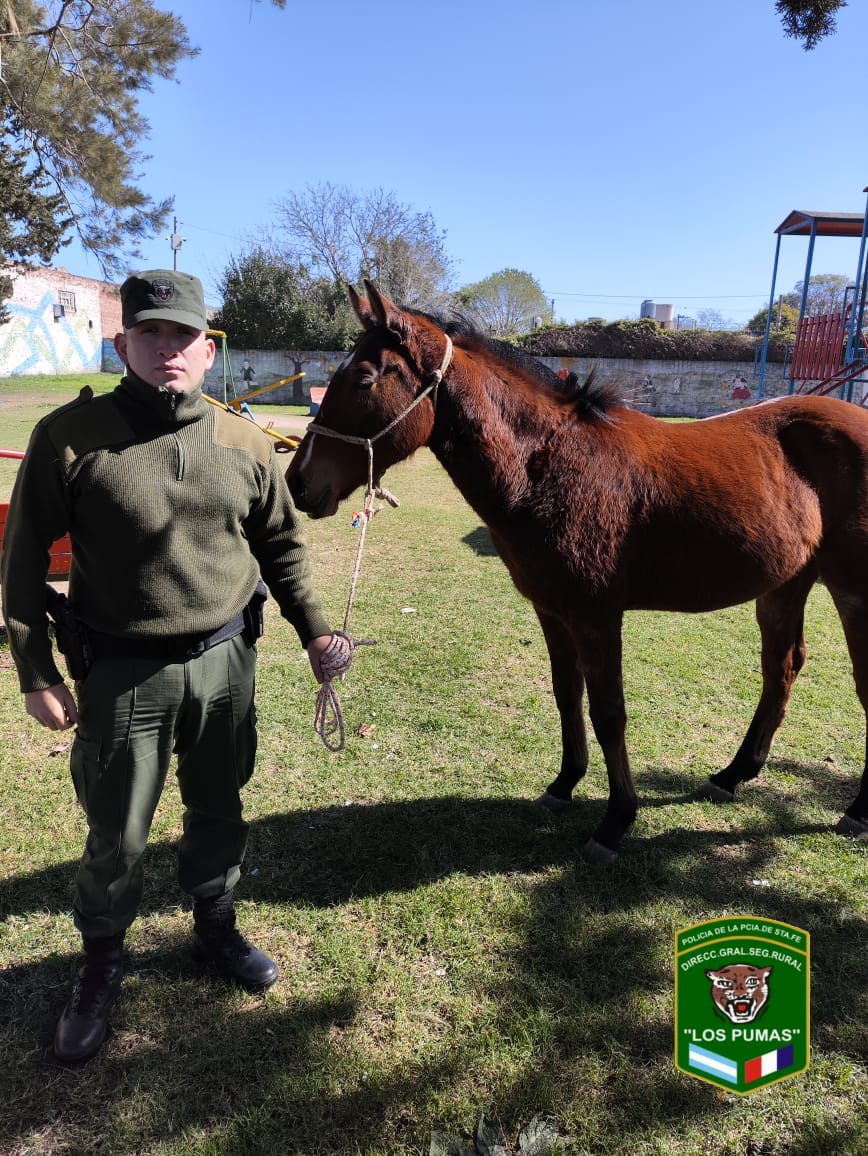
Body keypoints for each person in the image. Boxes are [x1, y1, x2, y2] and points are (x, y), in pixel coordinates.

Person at [0, 269, 346, 1065]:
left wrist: (316, 630)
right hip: (123, 672)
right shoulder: (68, 437)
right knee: (117, 831)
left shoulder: (245, 440)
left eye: (184, 336)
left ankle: (215, 930)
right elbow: (20, 563)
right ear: (123, 343)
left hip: (226, 662)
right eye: (151, 333)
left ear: (208, 348)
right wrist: (35, 671)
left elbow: (283, 549)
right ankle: (100, 962)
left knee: (220, 806)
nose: (168, 349)